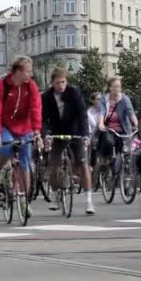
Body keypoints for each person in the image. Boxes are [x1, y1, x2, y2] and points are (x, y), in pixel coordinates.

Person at [0, 55, 42, 216]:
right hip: (5, 126)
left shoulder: (31, 86)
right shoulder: (1, 86)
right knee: (8, 145)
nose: (30, 75)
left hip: (25, 127)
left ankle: (25, 201)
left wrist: (37, 131)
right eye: (28, 71)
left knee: (25, 162)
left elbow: (36, 108)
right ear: (18, 71)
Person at [42, 67, 95, 215]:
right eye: (58, 83)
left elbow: (82, 113)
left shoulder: (74, 92)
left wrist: (85, 135)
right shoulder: (46, 96)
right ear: (52, 83)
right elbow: (43, 119)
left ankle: (88, 200)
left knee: (82, 163)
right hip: (57, 132)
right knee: (54, 166)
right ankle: (55, 194)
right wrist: (46, 134)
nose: (61, 85)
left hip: (75, 130)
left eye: (63, 82)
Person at [96, 77, 138, 165]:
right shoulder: (105, 99)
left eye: (118, 87)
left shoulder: (125, 99)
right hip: (109, 129)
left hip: (123, 130)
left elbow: (131, 113)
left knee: (125, 151)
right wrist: (101, 123)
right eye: (114, 87)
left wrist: (137, 125)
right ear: (109, 88)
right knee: (108, 141)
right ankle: (105, 162)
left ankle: (124, 170)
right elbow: (102, 112)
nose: (117, 89)